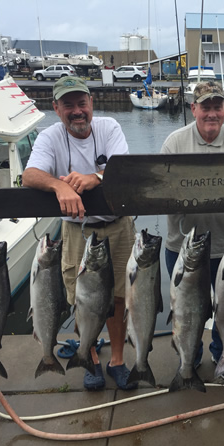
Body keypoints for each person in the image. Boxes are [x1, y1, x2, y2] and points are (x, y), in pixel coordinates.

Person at [22, 76, 137, 391]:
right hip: (77, 231)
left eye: (81, 103)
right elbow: (29, 175)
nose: (77, 111)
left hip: (118, 226)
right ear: (56, 108)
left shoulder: (109, 127)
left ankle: (116, 359)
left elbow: (122, 166)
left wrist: (95, 178)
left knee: (118, 298)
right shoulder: (49, 136)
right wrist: (59, 185)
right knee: (81, 300)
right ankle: (89, 359)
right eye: (68, 105)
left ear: (91, 104)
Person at [160, 80, 224, 380]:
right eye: (206, 107)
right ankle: (190, 358)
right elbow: (159, 190)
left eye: (218, 106)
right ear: (194, 109)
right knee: (188, 310)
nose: (212, 113)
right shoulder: (174, 143)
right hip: (183, 247)